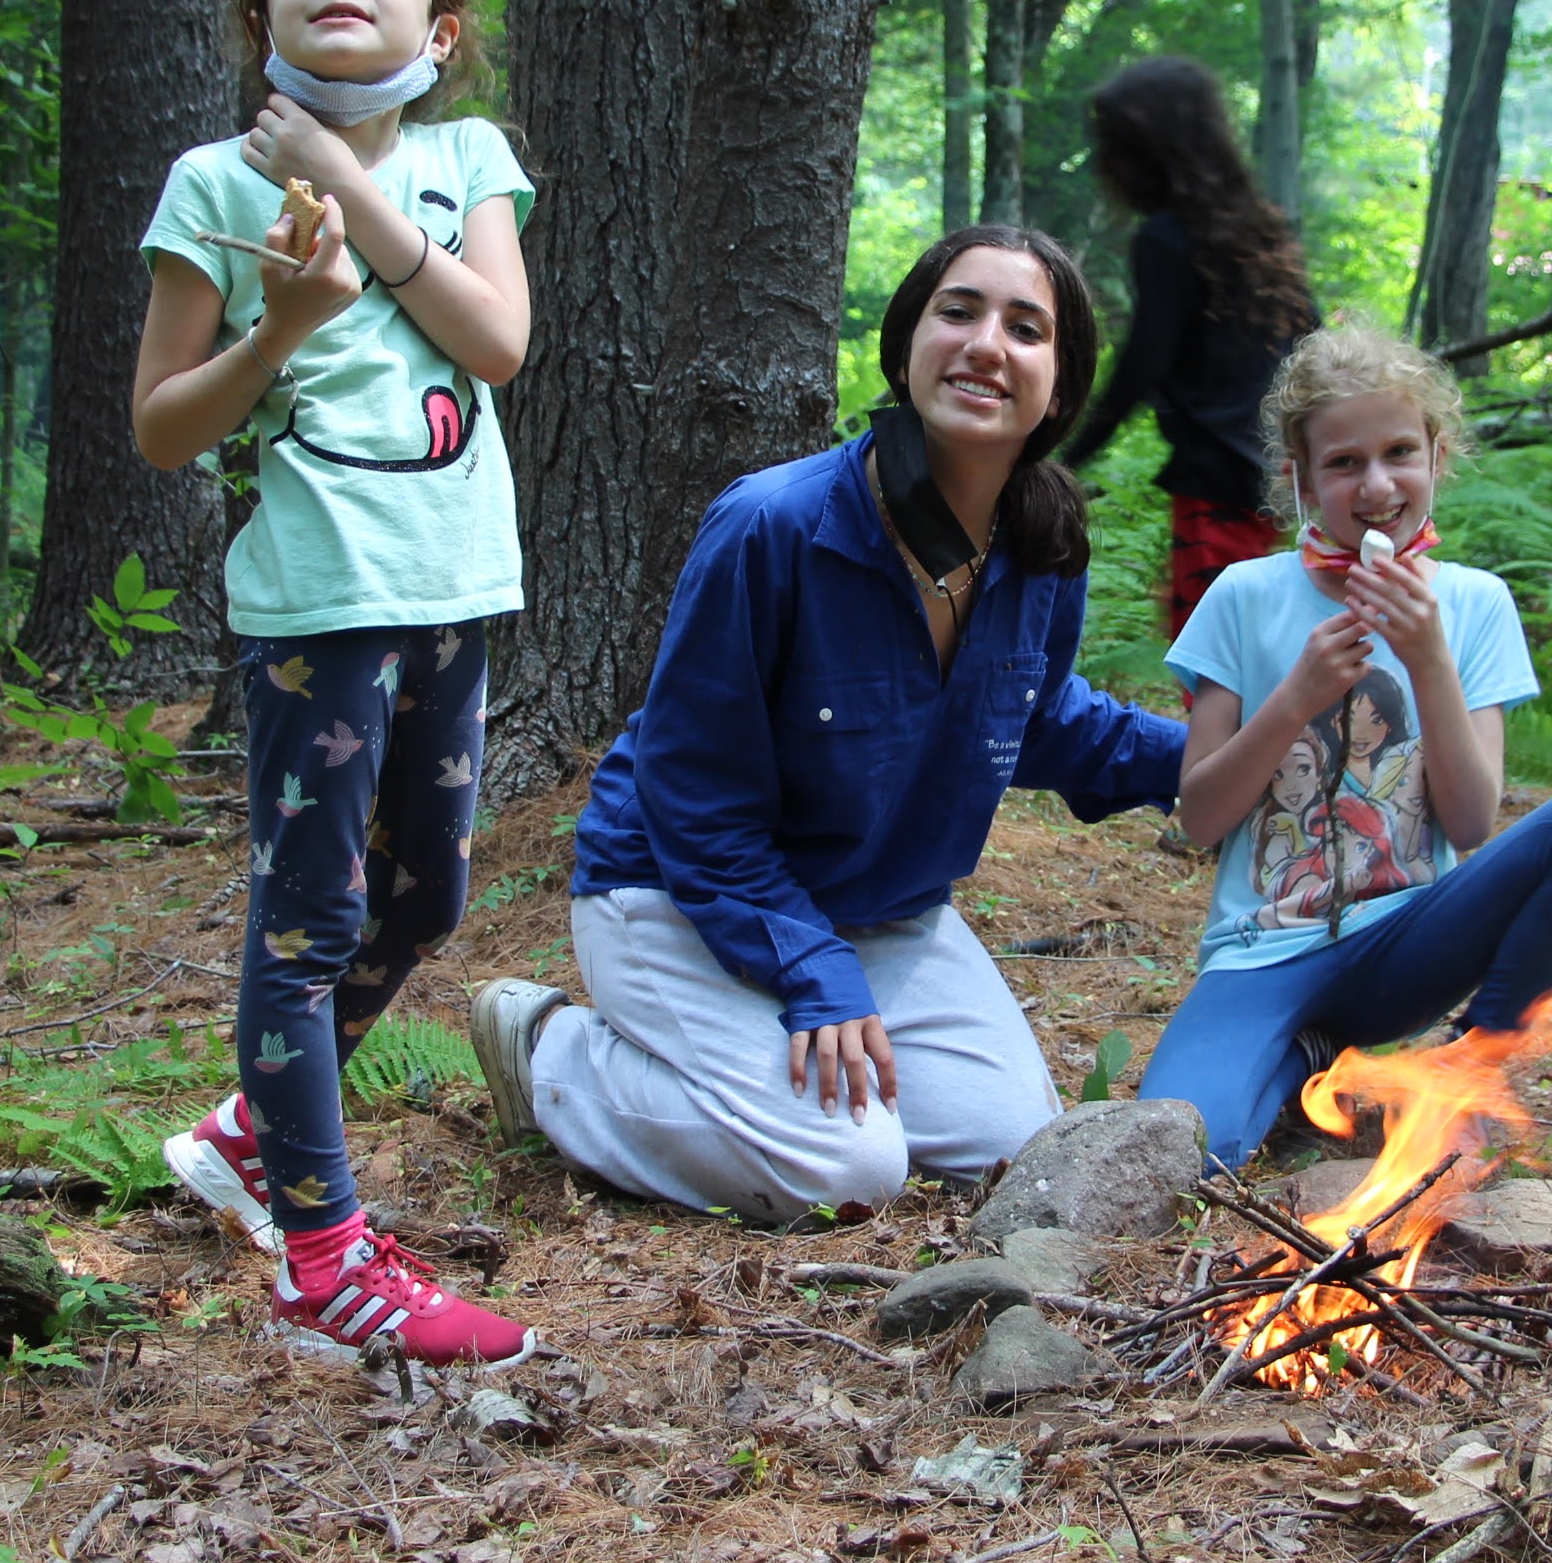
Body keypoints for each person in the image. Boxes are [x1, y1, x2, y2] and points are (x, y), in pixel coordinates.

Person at [467, 228, 1187, 1226]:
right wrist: (813, 971)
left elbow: (1041, 718)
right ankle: (554, 1052)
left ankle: (763, 1067)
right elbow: (692, 799)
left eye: (1027, 329)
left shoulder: (1044, 550)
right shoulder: (774, 525)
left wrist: (1211, 760)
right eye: (959, 311)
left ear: (1058, 388)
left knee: (1013, 1146)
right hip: (674, 894)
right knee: (846, 1171)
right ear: (908, 346)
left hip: (880, 908)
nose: (987, 344)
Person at [133, 0, 541, 1367]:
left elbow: (494, 343)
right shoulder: (214, 184)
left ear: (441, 19)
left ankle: (256, 1131)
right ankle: (322, 1257)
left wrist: (347, 180)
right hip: (317, 606)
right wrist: (286, 326)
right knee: (305, 927)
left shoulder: (468, 153)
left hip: (456, 588)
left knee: (423, 899)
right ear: (263, 11)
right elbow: (165, 430)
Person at [1133, 324, 1552, 1170]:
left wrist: (1429, 657)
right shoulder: (1244, 596)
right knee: (1191, 1152)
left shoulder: (1474, 605)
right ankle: (1312, 1062)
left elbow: (1473, 820)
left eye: (1399, 452)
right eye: (1343, 463)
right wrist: (1296, 697)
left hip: (1408, 938)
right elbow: (1198, 818)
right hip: (1263, 953)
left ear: (1438, 457)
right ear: (1300, 479)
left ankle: (1468, 1071)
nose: (1376, 485)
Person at [1060, 57, 1320, 640]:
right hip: (1279, 479)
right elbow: (1314, 340)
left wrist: (1068, 457)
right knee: (1256, 646)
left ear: (1152, 149)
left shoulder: (1167, 239)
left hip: (1216, 481)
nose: (1108, 164)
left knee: (1214, 654)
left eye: (1117, 146)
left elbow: (1143, 363)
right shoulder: (1260, 231)